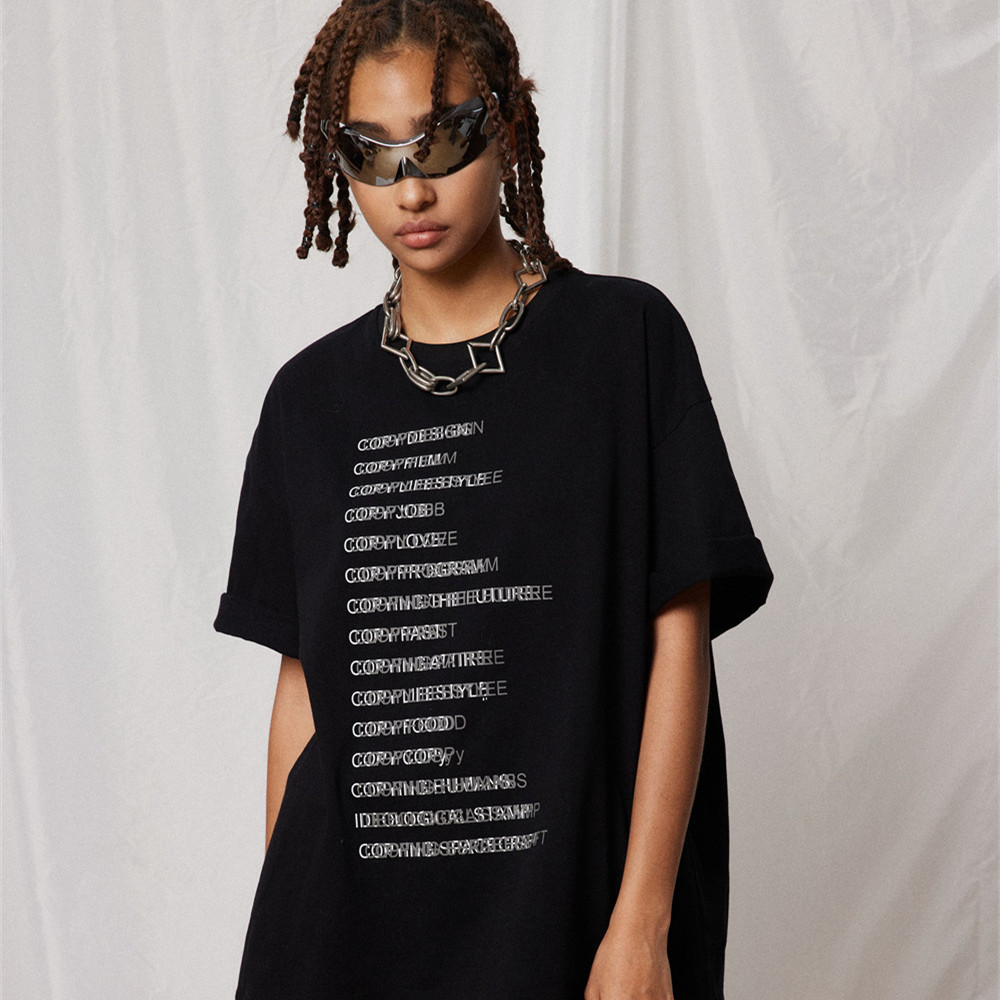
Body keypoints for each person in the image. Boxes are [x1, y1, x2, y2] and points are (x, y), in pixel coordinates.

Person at [214, 1, 772, 997]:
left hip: (573, 923)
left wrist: (643, 924)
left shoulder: (623, 343)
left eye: (442, 140)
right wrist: (287, 939)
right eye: (372, 152)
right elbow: (303, 688)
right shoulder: (308, 402)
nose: (410, 188)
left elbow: (677, 637)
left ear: (506, 126)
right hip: (347, 943)